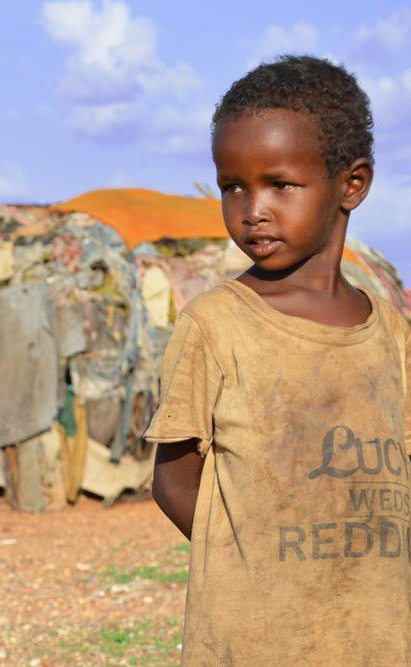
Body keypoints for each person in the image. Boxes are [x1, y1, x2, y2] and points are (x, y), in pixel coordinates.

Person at [146, 55, 411, 665]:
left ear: (352, 185)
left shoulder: (390, 333)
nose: (252, 209)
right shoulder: (216, 325)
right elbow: (174, 479)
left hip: (377, 639)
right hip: (256, 641)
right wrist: (260, 572)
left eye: (280, 184)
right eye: (232, 186)